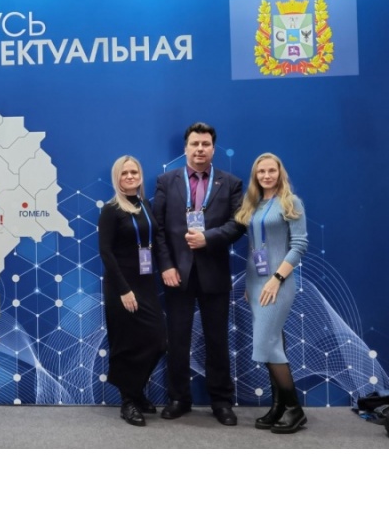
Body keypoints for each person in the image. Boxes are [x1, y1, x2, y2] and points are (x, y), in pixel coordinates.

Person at [153, 122, 246, 426]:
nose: (200, 149)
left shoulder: (230, 183)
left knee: (217, 340)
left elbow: (238, 224)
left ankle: (221, 401)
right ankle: (179, 398)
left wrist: (209, 238)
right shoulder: (167, 181)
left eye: (205, 144)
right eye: (195, 144)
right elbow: (158, 229)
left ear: (213, 149)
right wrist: (166, 265)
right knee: (178, 340)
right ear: (186, 148)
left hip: (214, 272)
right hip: (177, 274)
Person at [234, 152, 309, 433]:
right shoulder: (253, 204)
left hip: (278, 283)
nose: (266, 175)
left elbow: (299, 245)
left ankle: (294, 409)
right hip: (256, 284)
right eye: (261, 171)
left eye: (271, 171)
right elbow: (254, 249)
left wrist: (276, 278)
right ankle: (278, 406)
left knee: (267, 344)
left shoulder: (291, 202)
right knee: (272, 344)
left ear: (280, 173)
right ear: (255, 175)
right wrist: (249, 284)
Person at [98, 155, 167, 427]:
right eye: (124, 173)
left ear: (140, 175)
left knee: (158, 341)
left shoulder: (145, 205)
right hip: (121, 286)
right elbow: (106, 252)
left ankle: (135, 391)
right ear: (117, 177)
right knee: (127, 343)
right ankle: (128, 401)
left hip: (146, 283)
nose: (130, 176)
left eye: (134, 172)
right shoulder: (111, 209)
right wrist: (124, 290)